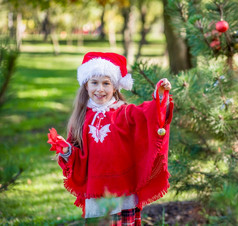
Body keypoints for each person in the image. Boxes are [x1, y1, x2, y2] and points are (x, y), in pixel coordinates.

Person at [54, 52, 173, 225]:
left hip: (123, 188)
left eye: (106, 83)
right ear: (86, 85)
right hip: (95, 190)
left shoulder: (124, 112)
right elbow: (77, 159)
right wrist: (66, 151)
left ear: (115, 87)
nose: (100, 89)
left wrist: (160, 97)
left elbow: (150, 115)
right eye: (94, 82)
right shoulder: (81, 118)